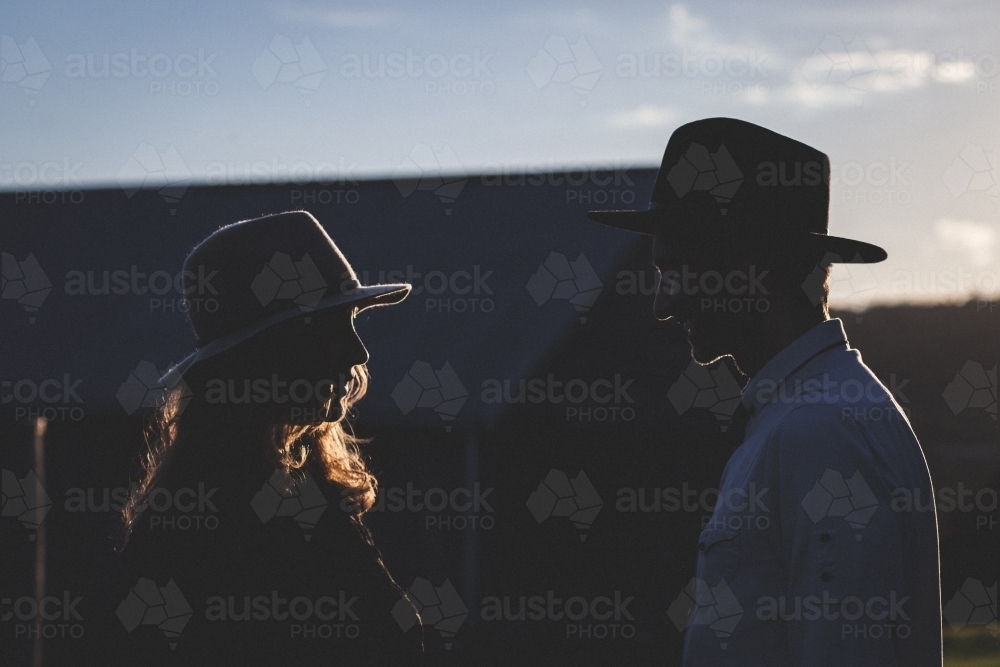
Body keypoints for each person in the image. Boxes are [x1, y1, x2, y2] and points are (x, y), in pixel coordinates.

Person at [588, 118, 942, 666]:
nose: (663, 303)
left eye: (677, 270)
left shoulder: (820, 432)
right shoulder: (804, 418)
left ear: (747, 268)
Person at [114, 211, 424, 665]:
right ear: (263, 354)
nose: (359, 351)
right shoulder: (206, 530)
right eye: (330, 326)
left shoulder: (301, 491)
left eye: (352, 320)